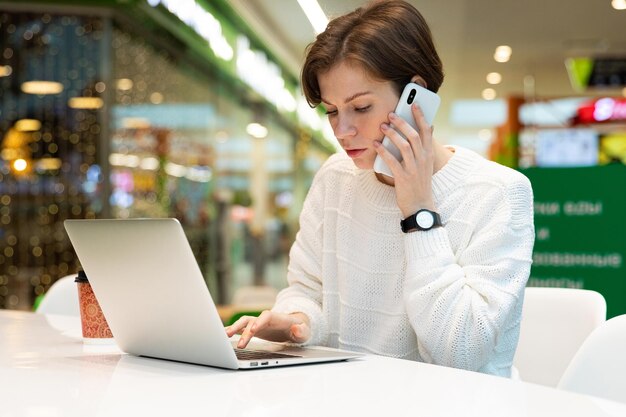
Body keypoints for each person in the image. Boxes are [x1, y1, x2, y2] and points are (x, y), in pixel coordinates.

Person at [226, 0, 535, 378]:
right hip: (348, 398)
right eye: (332, 111)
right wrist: (296, 321)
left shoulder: (498, 193)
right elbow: (306, 290)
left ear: (415, 96)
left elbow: (461, 352)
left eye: (361, 107)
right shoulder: (336, 177)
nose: (342, 131)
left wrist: (419, 211)